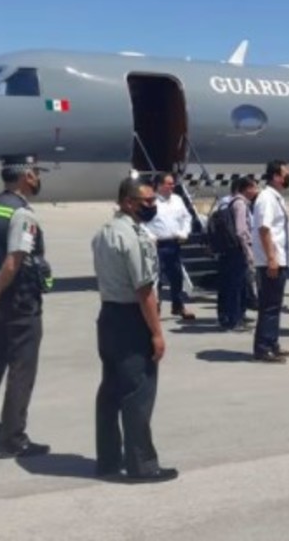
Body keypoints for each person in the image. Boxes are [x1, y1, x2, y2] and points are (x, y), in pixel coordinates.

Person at [90, 177, 178, 483]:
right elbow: (144, 290)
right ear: (128, 202)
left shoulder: (103, 233)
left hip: (109, 315)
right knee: (138, 392)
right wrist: (156, 332)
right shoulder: (133, 238)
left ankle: (108, 459)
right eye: (147, 201)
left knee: (110, 391)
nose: (152, 206)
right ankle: (142, 464)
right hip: (131, 318)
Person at [0, 154, 53, 459]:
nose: (38, 179)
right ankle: (13, 438)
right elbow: (14, 261)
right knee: (21, 370)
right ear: (25, 176)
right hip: (20, 302)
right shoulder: (22, 214)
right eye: (35, 174)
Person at [252, 160, 289, 363]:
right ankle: (263, 347)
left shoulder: (276, 198)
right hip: (272, 261)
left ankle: (272, 343)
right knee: (269, 305)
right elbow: (264, 229)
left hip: (279, 259)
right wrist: (271, 258)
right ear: (276, 176)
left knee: (275, 305)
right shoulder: (267, 198)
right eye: (286, 173)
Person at [145, 173, 196, 320]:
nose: (172, 186)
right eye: (169, 184)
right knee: (157, 279)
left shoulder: (177, 200)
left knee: (177, 277)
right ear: (159, 185)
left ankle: (178, 306)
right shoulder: (150, 201)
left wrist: (184, 232)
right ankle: (156, 308)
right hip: (157, 245)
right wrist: (149, 236)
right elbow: (141, 222)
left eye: (173, 183)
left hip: (174, 243)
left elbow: (187, 217)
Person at [216, 176, 258, 332]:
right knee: (237, 285)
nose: (256, 191)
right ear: (246, 189)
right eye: (254, 187)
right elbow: (241, 231)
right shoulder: (240, 204)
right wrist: (248, 250)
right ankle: (235, 319)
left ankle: (232, 316)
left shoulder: (233, 202)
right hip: (237, 249)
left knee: (233, 284)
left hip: (231, 249)